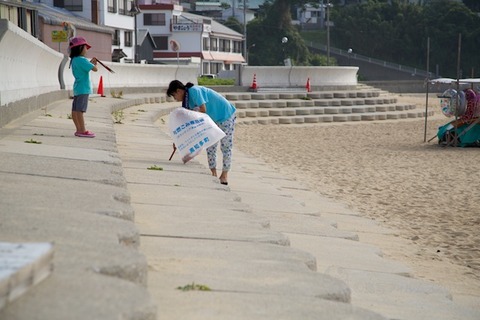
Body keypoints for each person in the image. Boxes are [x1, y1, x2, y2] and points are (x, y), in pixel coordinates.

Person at [167, 80, 236, 185]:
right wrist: (178, 141)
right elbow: (190, 123)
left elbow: (203, 109)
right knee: (210, 146)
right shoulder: (186, 103)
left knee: (226, 146)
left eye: (174, 95)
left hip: (225, 114)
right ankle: (213, 172)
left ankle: (224, 175)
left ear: (179, 91)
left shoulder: (194, 91)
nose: (175, 99)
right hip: (212, 119)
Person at [69, 36, 97, 138]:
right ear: (80, 48)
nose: (86, 50)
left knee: (75, 110)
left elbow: (83, 68)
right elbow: (95, 69)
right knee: (80, 111)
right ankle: (83, 130)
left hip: (77, 88)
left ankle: (78, 129)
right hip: (84, 89)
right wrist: (93, 63)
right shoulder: (82, 60)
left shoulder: (74, 60)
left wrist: (89, 63)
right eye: (85, 47)